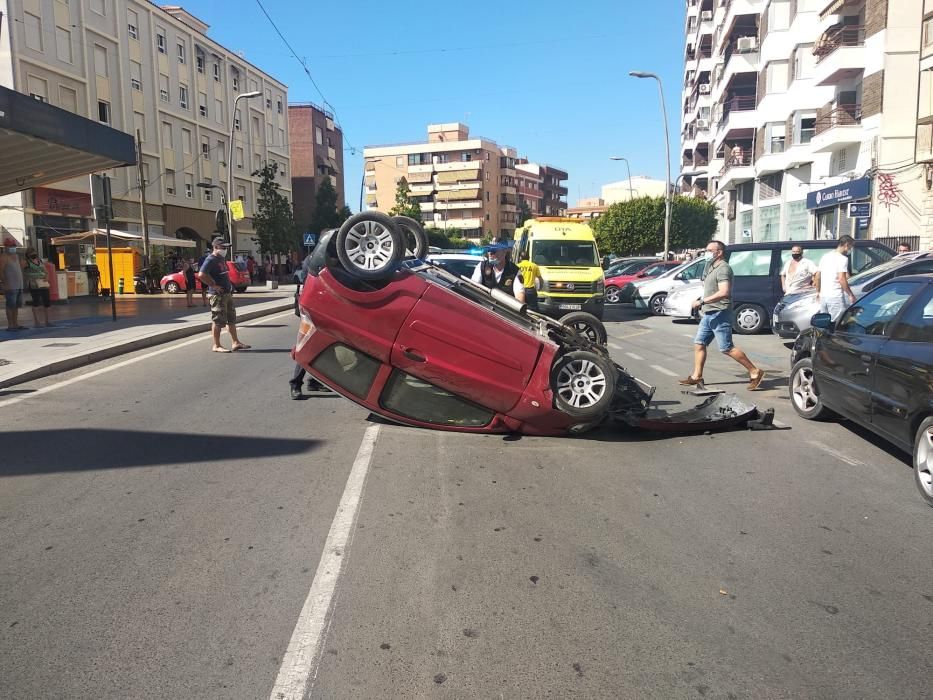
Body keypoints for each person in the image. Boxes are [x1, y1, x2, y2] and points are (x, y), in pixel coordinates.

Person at [680, 241, 765, 390]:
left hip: (720, 312)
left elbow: (724, 292)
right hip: (708, 312)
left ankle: (755, 371)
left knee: (726, 348)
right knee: (699, 344)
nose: (706, 253)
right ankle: (696, 376)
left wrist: (702, 301)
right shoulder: (711, 266)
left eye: (709, 250)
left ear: (719, 252)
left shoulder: (724, 269)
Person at [198, 237, 250, 353]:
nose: (225, 249)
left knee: (231, 319)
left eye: (226, 247)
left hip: (226, 294)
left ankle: (235, 342)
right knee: (218, 321)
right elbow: (201, 274)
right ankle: (216, 345)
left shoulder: (221, 259)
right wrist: (214, 285)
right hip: (217, 295)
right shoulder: (210, 259)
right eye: (223, 247)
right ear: (215, 247)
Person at [816, 234, 856, 321]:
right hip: (835, 297)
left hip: (824, 297)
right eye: (851, 246)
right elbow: (841, 278)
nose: (851, 249)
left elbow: (818, 276)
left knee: (825, 323)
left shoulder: (825, 256)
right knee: (837, 323)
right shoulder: (842, 259)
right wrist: (850, 294)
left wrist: (818, 291)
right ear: (846, 245)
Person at [23, 248, 52, 327]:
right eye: (31, 253)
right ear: (28, 255)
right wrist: (32, 277)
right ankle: (37, 322)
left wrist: (47, 277)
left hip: (43, 283)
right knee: (36, 301)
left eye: (34, 252)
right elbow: (24, 272)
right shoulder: (26, 262)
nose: (33, 254)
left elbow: (46, 272)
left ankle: (47, 321)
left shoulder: (40, 261)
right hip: (33, 284)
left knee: (46, 302)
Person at [0, 240, 26, 330]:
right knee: (10, 305)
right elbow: (1, 271)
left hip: (19, 285)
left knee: (16, 306)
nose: (12, 247)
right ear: (6, 247)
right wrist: (4, 283)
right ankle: (10, 324)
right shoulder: (4, 257)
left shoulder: (17, 256)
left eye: (13, 246)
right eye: (10, 246)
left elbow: (20, 268)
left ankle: (15, 324)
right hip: (10, 286)